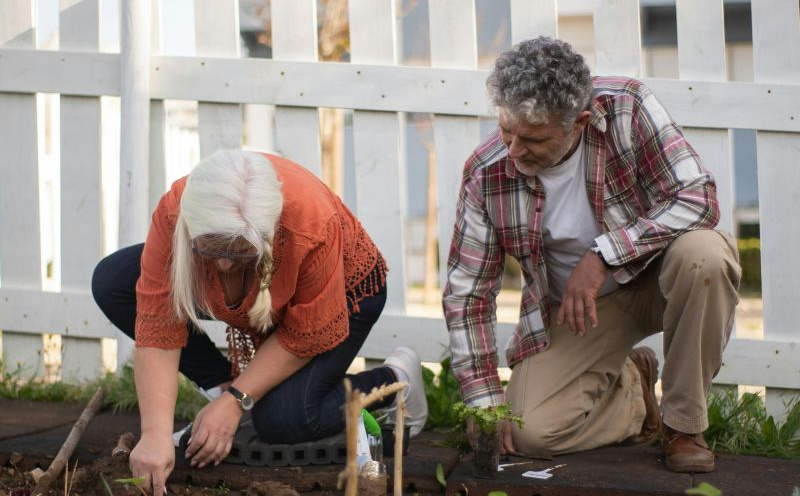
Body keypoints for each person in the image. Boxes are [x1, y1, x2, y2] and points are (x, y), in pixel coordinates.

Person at [443, 37, 740, 473]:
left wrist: (604, 254)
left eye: (534, 138)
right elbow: (468, 293)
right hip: (583, 310)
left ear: (580, 122)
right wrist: (483, 398)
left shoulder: (628, 107)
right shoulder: (485, 172)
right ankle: (634, 392)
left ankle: (684, 426)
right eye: (507, 130)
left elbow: (698, 197)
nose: (514, 151)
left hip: (663, 278)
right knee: (531, 433)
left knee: (707, 256)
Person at [92, 150, 428, 495]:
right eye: (211, 248)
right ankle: (220, 391)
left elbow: (302, 336)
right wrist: (155, 435)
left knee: (284, 420)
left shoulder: (309, 222)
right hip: (256, 289)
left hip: (341, 296)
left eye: (238, 251)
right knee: (114, 282)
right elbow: (158, 325)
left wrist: (239, 400)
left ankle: (396, 380)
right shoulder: (178, 208)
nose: (223, 265)